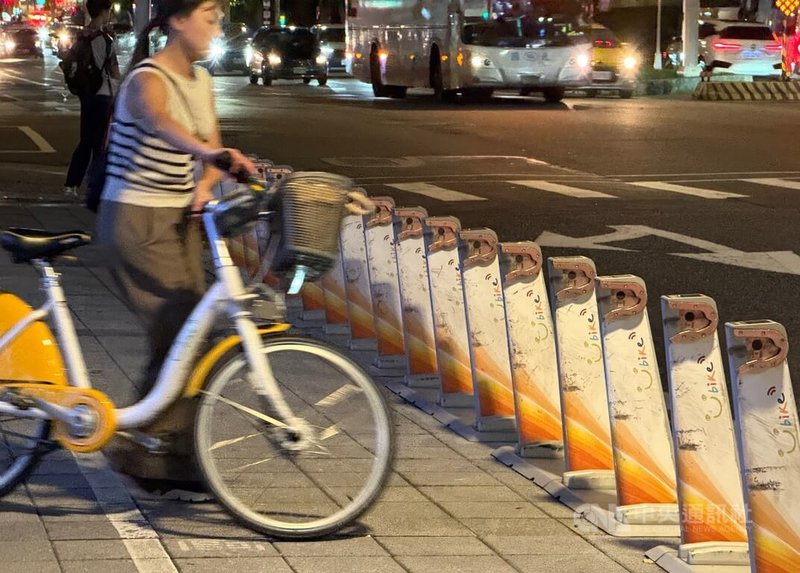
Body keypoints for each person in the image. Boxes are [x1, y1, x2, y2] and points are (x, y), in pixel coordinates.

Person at [95, 0, 256, 500]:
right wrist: (208, 156)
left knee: (193, 332)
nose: (216, 28)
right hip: (136, 220)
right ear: (178, 21)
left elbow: (213, 143)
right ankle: (144, 444)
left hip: (182, 219)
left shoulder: (201, 81)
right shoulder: (147, 78)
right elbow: (162, 123)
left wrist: (206, 181)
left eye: (218, 20)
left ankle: (169, 450)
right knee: (182, 326)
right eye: (209, 18)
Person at [63, 0, 120, 197]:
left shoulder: (81, 37)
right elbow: (114, 71)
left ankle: (71, 183)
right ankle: (94, 185)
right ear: (104, 11)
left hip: (86, 93)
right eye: (108, 10)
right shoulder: (105, 40)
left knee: (86, 139)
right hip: (102, 94)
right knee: (100, 143)